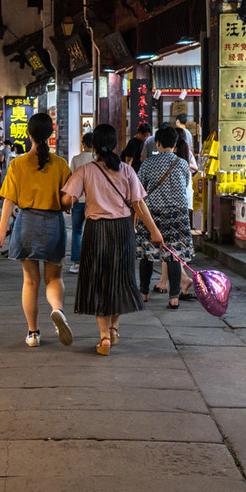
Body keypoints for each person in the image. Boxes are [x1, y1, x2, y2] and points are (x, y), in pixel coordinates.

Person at [61, 123, 164, 355]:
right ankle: (115, 329)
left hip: (95, 230)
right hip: (122, 230)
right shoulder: (127, 171)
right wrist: (155, 231)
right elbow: (139, 204)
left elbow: (67, 200)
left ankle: (104, 337)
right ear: (116, 144)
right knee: (120, 277)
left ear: (94, 146)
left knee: (99, 280)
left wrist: (65, 202)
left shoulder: (85, 170)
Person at [0, 113, 73, 348]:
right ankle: (57, 310)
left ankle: (33, 333)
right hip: (53, 224)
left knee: (30, 281)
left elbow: (8, 201)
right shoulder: (60, 164)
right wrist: (67, 203)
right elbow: (67, 199)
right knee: (54, 278)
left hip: (26, 223)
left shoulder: (17, 164)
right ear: (51, 134)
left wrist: (0, 232)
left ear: (28, 134)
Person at [136, 126, 193, 309]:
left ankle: (143, 294)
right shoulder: (183, 163)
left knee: (147, 253)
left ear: (157, 143)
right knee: (174, 255)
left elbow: (139, 188)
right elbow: (184, 185)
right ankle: (174, 298)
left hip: (153, 215)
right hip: (177, 215)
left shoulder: (148, 164)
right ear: (175, 144)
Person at [67, 132, 94, 274]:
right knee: (93, 232)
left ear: (83, 144)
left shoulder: (76, 160)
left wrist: (69, 200)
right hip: (94, 202)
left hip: (78, 200)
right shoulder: (98, 159)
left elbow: (72, 181)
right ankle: (91, 260)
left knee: (77, 231)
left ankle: (77, 262)